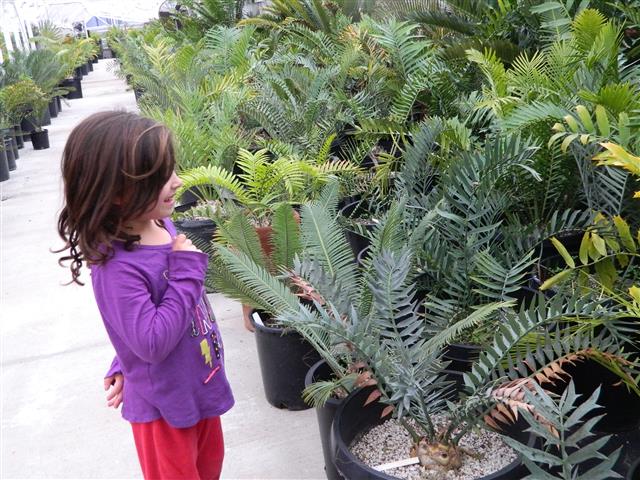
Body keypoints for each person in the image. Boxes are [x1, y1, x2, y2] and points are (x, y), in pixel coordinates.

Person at [56, 111, 234, 479]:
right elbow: (151, 342)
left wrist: (123, 361)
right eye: (162, 178)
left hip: (197, 387)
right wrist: (185, 274)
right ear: (119, 193)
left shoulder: (158, 222)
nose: (178, 182)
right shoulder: (117, 268)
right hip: (164, 410)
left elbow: (137, 323)